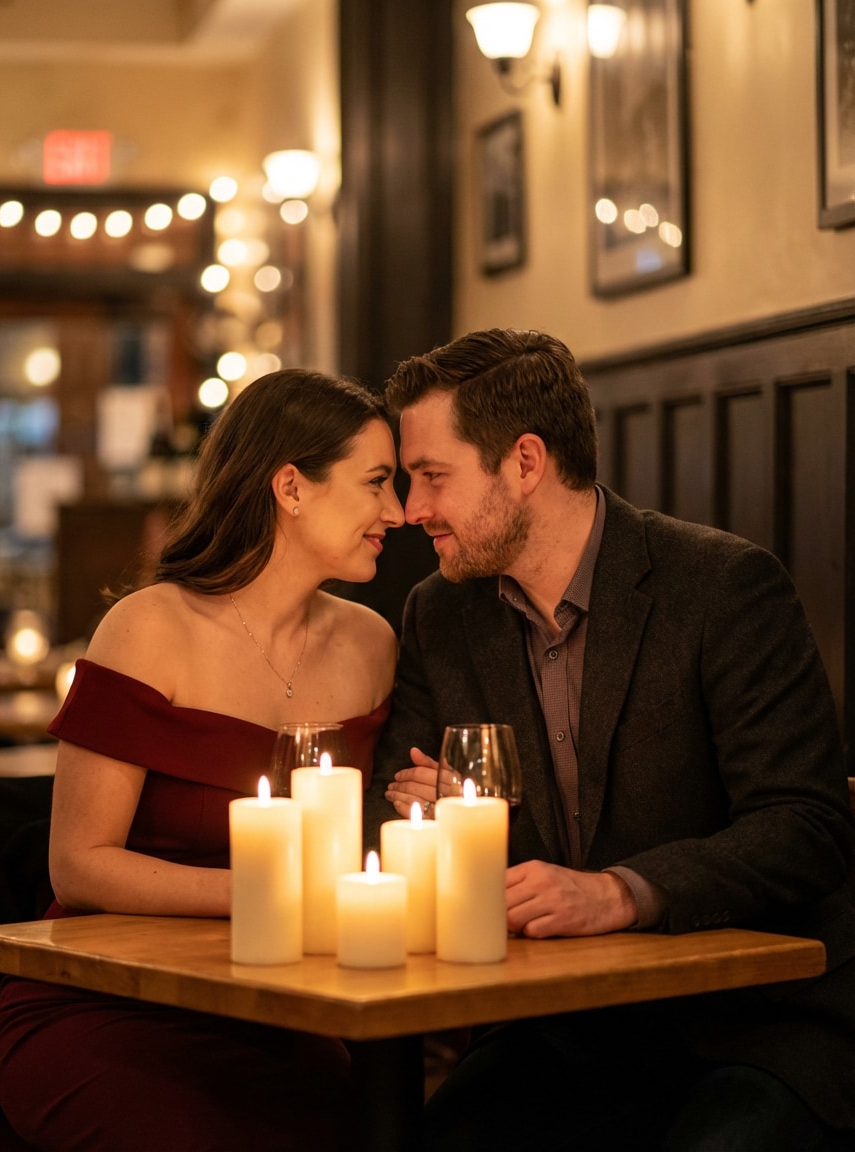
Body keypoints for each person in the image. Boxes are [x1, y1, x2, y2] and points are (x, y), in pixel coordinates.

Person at [363, 328, 855, 1152]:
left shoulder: (722, 587)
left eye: (432, 477)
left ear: (526, 462)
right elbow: (400, 806)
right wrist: (439, 822)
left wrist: (623, 892)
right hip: (561, 1025)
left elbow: (805, 826)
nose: (412, 510)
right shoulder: (441, 615)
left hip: (755, 1027)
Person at [0, 369, 405, 1152]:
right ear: (291, 486)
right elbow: (77, 866)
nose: (400, 511)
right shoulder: (150, 627)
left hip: (281, 1007)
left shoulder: (372, 645)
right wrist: (275, 895)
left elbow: (369, 843)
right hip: (109, 1002)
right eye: (377, 482)